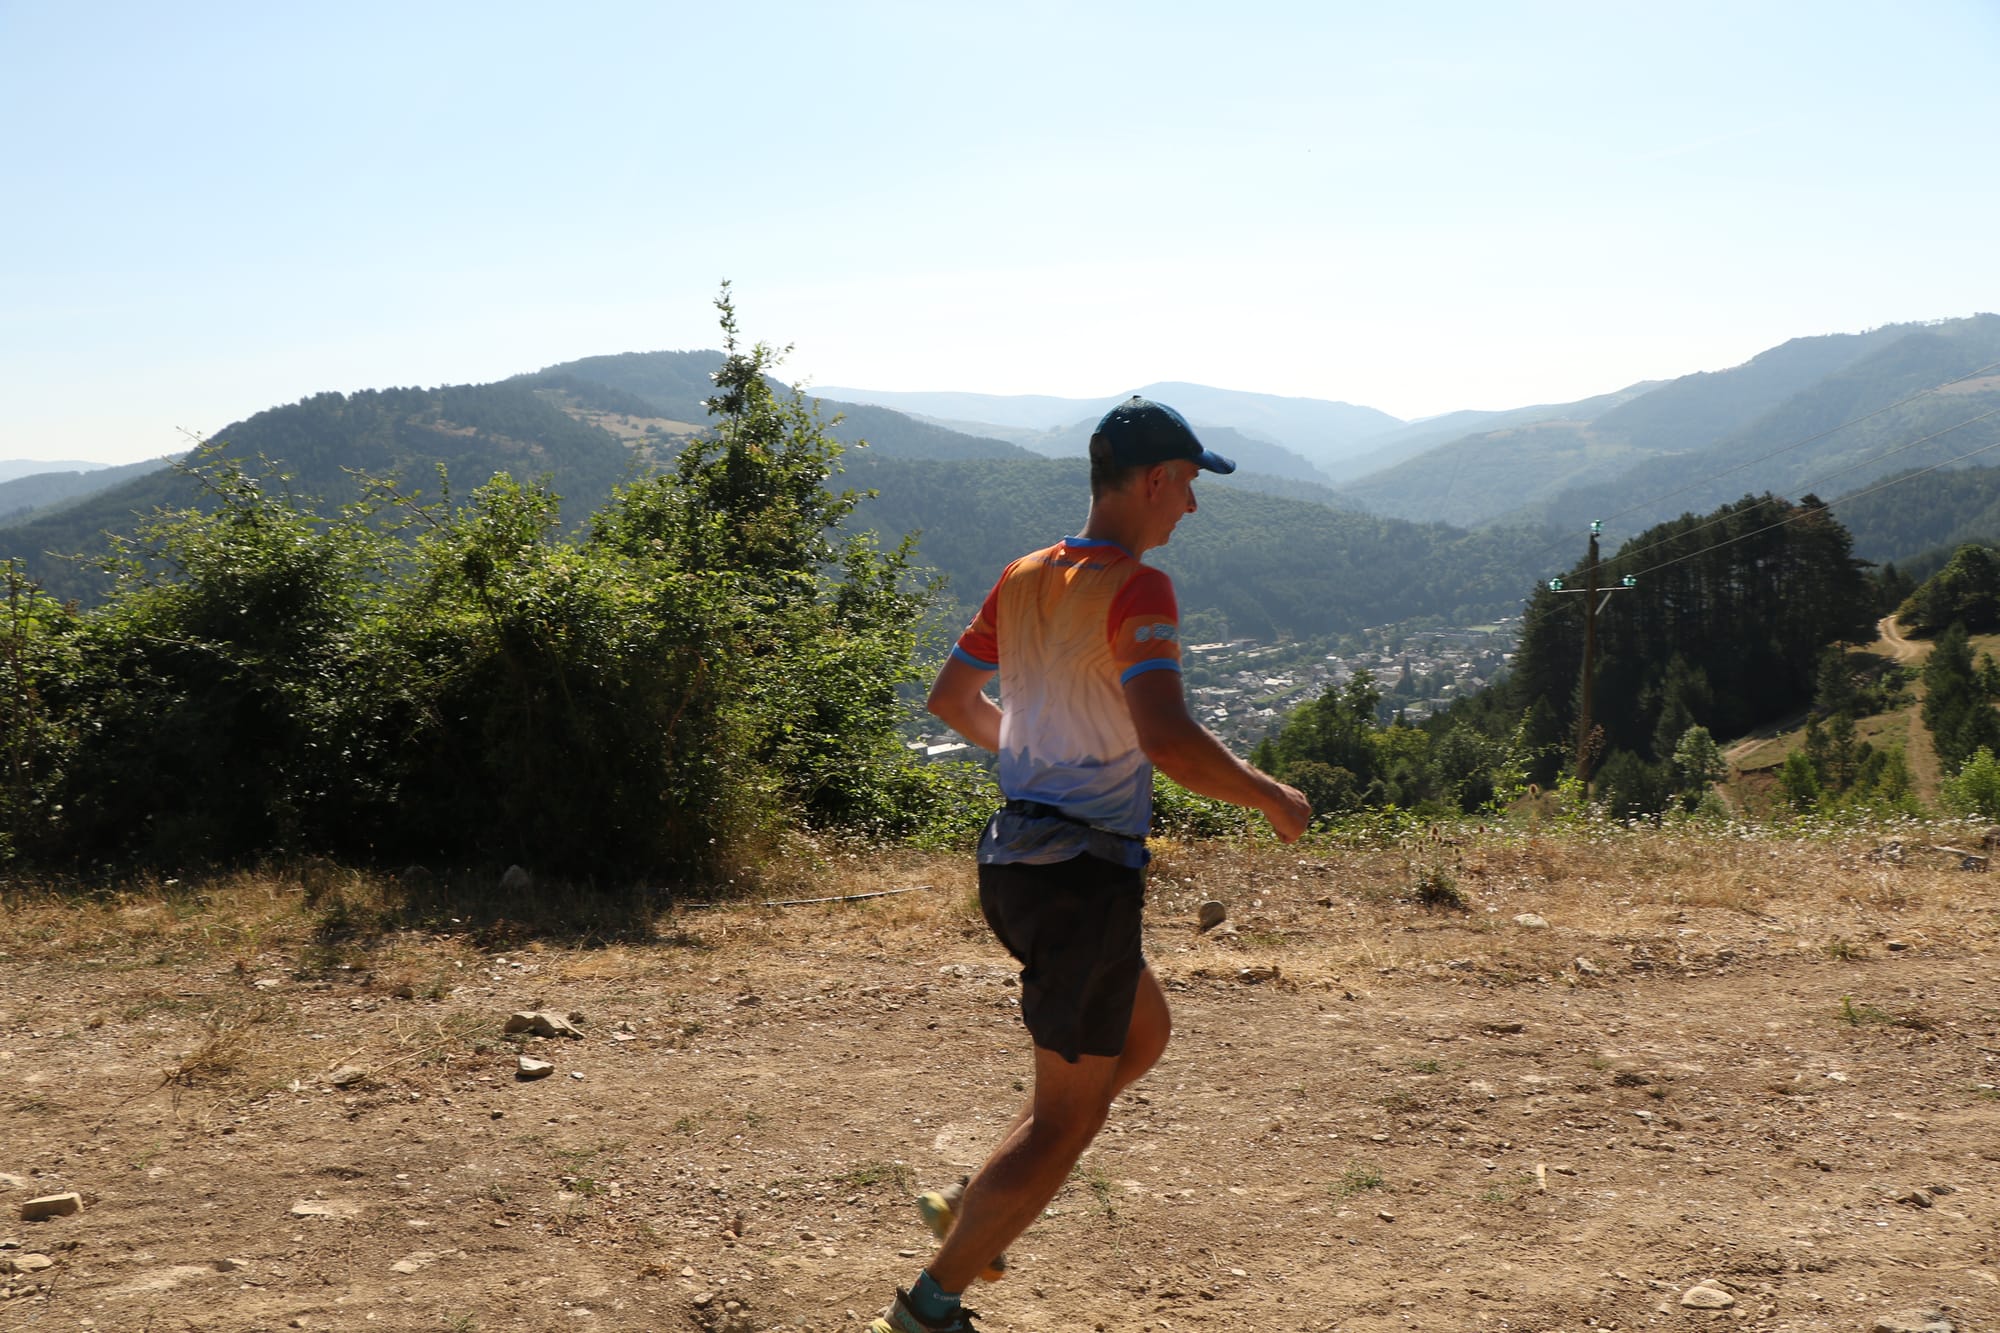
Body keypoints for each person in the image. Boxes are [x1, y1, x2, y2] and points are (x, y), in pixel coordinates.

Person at [865, 397, 1311, 1333]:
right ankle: (931, 1304)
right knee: (1068, 1121)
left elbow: (953, 698)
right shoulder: (1137, 588)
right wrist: (1271, 796)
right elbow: (1170, 739)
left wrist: (1036, 764)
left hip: (1018, 863)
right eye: (1188, 484)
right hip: (1081, 875)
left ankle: (982, 1197)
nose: (1191, 506)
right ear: (1153, 480)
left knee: (1141, 1035)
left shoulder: (1024, 575)